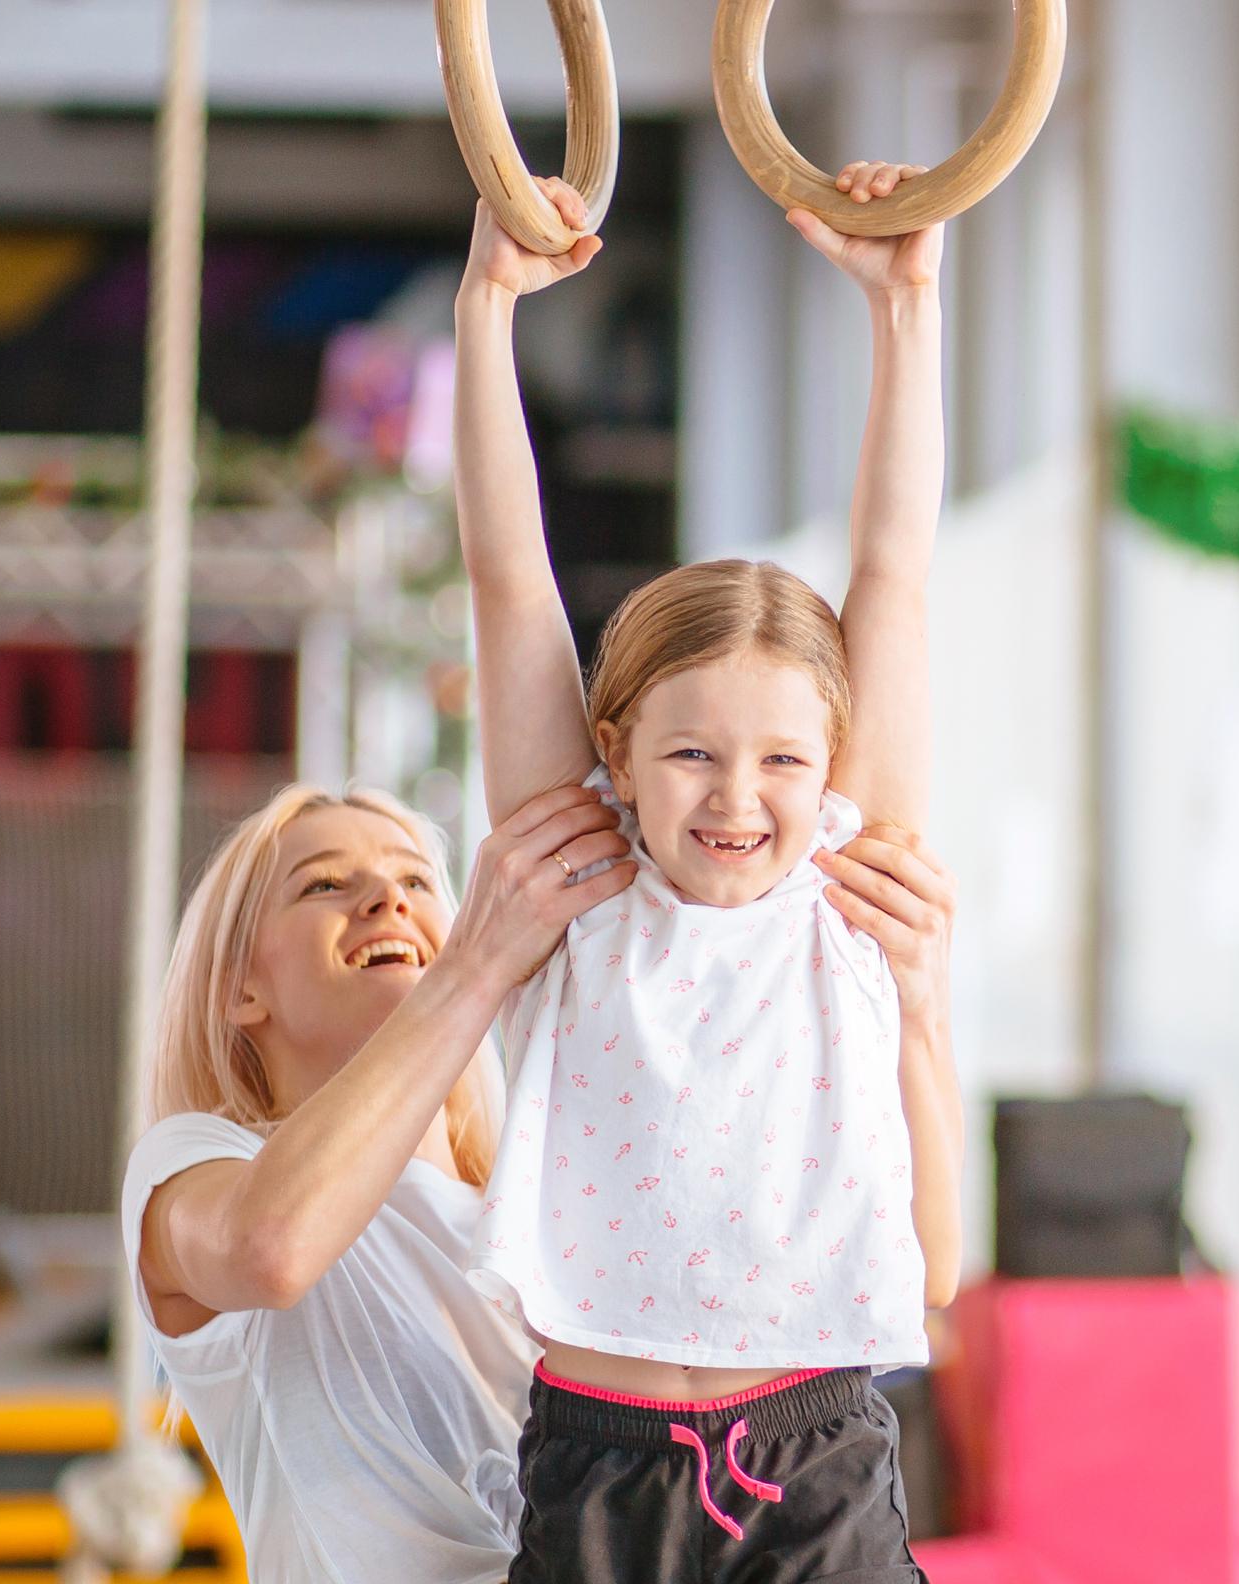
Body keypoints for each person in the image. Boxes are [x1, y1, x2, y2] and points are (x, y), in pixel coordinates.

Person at [456, 165, 962, 1581]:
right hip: (598, 1459)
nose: (738, 798)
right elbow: (508, 579)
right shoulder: (580, 882)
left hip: (814, 1455)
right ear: (617, 753)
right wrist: (488, 308)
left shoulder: (846, 891)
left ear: (831, 764)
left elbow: (895, 570)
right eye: (691, 755)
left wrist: (906, 308)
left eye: (783, 761)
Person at [122, 780, 957, 1584]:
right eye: (325, 885)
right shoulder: (194, 1162)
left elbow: (913, 1263)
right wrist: (478, 964)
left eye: (418, 880)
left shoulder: (536, 1217)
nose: (388, 899)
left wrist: (915, 1010)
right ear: (239, 988)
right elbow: (269, 1249)